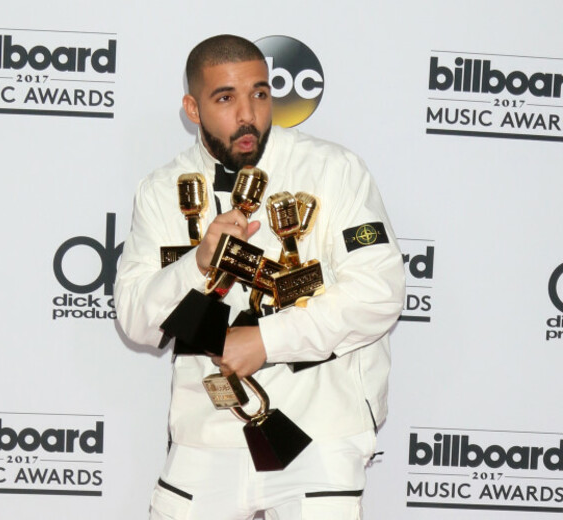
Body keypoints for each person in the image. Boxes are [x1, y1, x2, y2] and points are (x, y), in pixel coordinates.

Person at [115, 34, 405, 520]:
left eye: (260, 93)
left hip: (320, 432)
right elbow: (138, 322)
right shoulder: (162, 191)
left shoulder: (333, 170)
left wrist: (266, 340)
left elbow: (379, 293)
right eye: (225, 98)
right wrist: (198, 263)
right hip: (205, 435)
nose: (248, 114)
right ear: (192, 107)